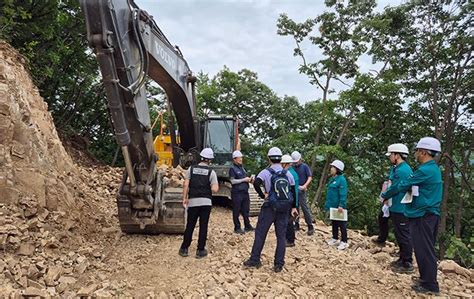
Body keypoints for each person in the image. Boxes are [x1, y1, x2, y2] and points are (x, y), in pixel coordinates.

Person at [381, 137, 443, 295]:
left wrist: (386, 194)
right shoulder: (430, 168)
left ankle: (430, 285)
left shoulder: (425, 170)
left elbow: (403, 185)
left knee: (424, 249)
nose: (415, 153)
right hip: (424, 214)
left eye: (417, 150)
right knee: (423, 248)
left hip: (423, 215)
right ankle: (425, 279)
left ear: (423, 152)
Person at [243, 147, 298, 272]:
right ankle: (278, 264)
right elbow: (293, 191)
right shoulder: (287, 174)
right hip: (284, 208)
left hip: (269, 207)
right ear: (280, 158)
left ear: (269, 158)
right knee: (281, 236)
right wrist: (293, 207)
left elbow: (256, 183)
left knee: (260, 234)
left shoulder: (265, 172)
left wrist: (263, 195)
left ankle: (254, 259)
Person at [374, 143, 414, 273]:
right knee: (399, 232)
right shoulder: (397, 168)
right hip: (395, 205)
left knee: (403, 234)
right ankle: (402, 257)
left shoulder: (403, 170)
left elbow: (395, 187)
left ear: (397, 155)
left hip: (401, 206)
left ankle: (407, 262)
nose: (389, 157)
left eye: (391, 155)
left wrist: (384, 195)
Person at [179, 148, 219, 259]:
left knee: (190, 225)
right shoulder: (211, 172)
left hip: (193, 202)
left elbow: (186, 185)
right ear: (210, 160)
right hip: (206, 202)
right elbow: (215, 189)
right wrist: (210, 186)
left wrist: (184, 198)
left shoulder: (191, 169)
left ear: (201, 157)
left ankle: (184, 249)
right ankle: (200, 250)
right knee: (203, 225)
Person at [324, 160, 349, 250]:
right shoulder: (332, 179)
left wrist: (341, 204)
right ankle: (335, 238)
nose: (331, 169)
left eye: (333, 167)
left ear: (337, 169)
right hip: (332, 205)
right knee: (334, 221)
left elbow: (343, 193)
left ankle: (344, 241)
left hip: (339, 205)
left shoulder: (341, 180)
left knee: (341, 223)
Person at [229, 150, 254, 234]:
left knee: (246, 210)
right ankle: (237, 227)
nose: (241, 159)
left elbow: (243, 179)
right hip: (237, 193)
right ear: (234, 159)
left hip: (244, 192)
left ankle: (247, 226)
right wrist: (244, 179)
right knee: (236, 210)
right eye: (239, 158)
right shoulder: (232, 168)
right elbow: (232, 181)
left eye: (241, 158)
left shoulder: (242, 168)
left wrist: (249, 180)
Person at [291, 151, 314, 235]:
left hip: (302, 190)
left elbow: (310, 177)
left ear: (300, 159)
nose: (296, 163)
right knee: (295, 207)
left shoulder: (304, 167)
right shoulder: (292, 167)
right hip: (294, 189)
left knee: (304, 208)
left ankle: (310, 226)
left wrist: (305, 185)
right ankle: (296, 224)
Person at [282, 155, 299, 247]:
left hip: (290, 201)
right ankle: (288, 238)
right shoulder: (291, 173)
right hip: (290, 200)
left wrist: (294, 205)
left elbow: (294, 190)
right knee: (287, 221)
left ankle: (290, 240)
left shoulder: (290, 174)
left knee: (288, 221)